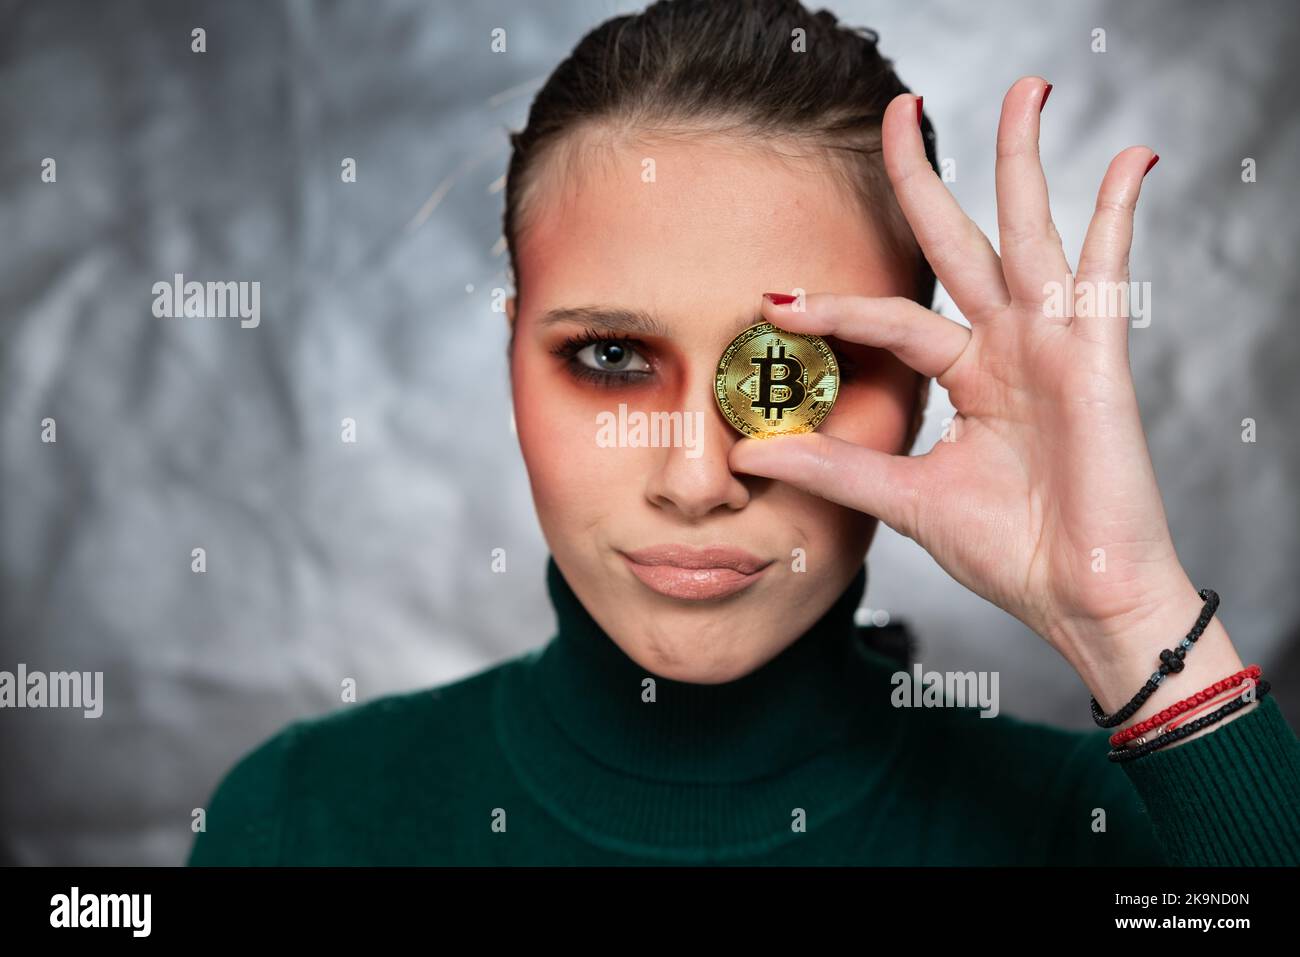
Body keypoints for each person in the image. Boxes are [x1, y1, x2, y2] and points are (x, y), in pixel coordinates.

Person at [188, 0, 1300, 866]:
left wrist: (1126, 611)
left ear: (919, 387)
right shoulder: (298, 821)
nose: (696, 478)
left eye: (793, 376)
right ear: (512, 352)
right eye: (611, 357)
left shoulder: (1105, 838)